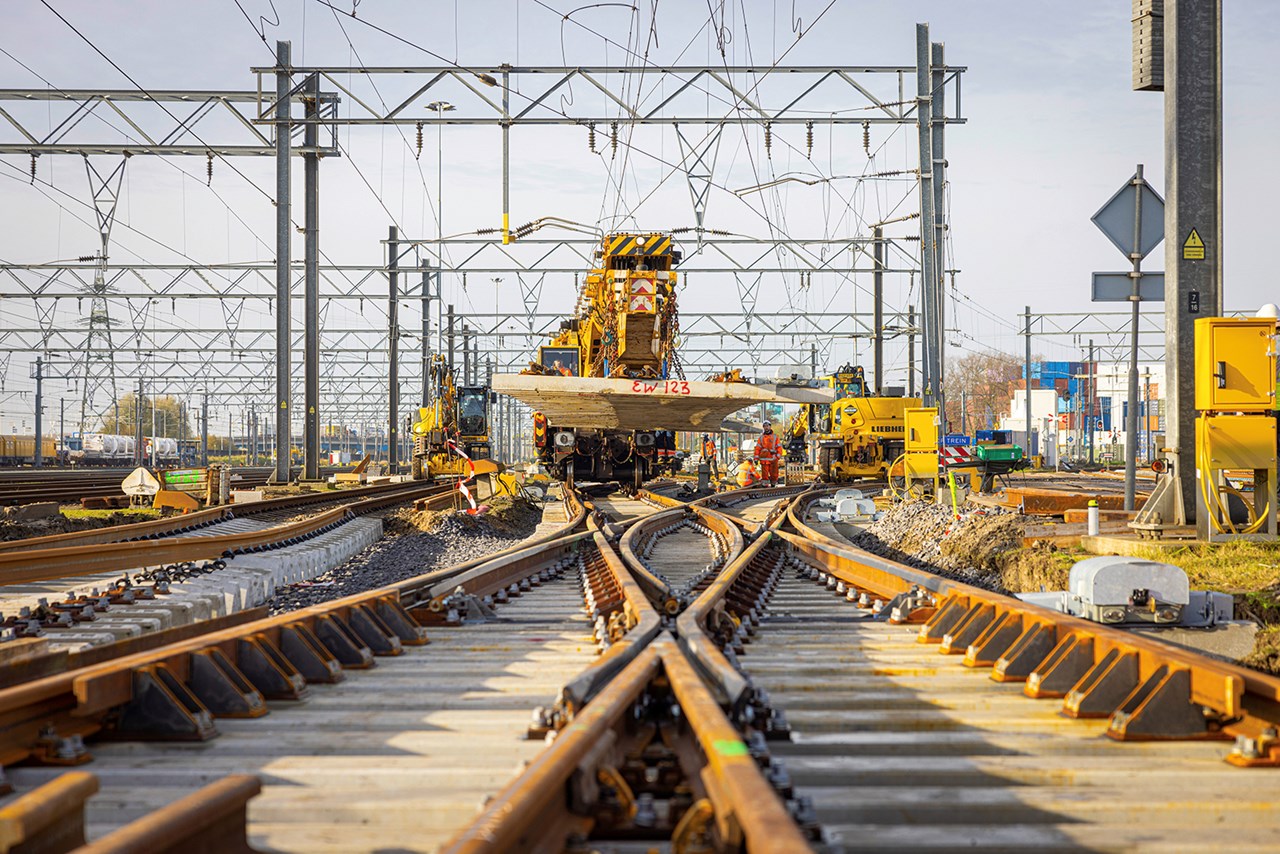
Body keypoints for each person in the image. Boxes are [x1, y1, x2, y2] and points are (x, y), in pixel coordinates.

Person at [754, 421, 781, 487]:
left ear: (770, 426)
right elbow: (757, 448)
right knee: (765, 474)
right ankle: (765, 486)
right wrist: (756, 458)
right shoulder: (761, 438)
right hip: (764, 459)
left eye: (767, 426)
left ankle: (773, 484)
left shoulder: (775, 437)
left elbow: (779, 447)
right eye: (765, 426)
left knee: (774, 474)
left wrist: (778, 456)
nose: (766, 427)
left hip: (773, 459)